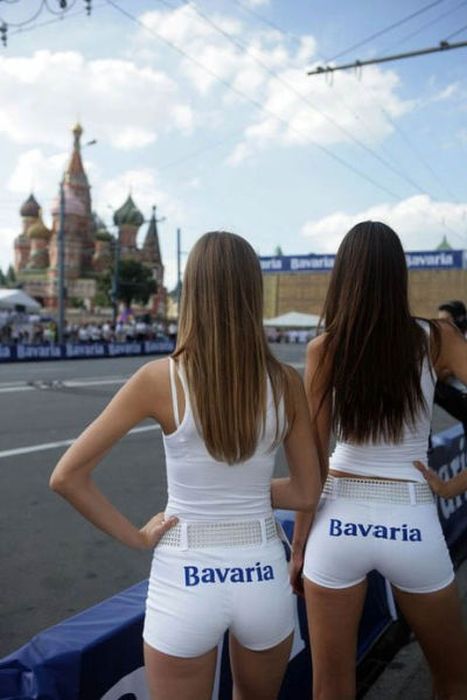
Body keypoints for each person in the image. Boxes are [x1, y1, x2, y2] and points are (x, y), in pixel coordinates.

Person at [50, 231, 321, 700]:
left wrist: (136, 537)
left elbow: (67, 477)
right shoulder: (285, 381)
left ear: (192, 291)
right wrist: (245, 491)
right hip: (261, 571)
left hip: (186, 573)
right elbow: (306, 493)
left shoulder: (159, 378)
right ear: (252, 291)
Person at [292, 221, 467, 700]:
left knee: (330, 687)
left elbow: (312, 456)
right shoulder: (437, 337)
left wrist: (299, 544)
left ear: (343, 274)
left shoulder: (324, 347)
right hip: (410, 516)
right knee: (455, 680)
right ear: (400, 273)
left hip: (337, 518)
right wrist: (456, 485)